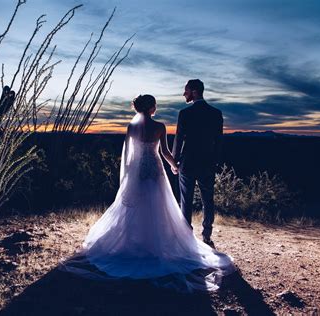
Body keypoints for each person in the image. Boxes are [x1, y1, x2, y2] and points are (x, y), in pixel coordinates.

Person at [60, 94, 235, 292]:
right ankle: (157, 244)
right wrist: (174, 165)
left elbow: (127, 155)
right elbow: (165, 152)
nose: (156, 107)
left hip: (136, 171)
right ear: (151, 107)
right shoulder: (160, 127)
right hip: (154, 170)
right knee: (158, 205)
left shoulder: (132, 127)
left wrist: (128, 176)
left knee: (136, 207)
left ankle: (136, 242)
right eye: (155, 105)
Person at [173, 79, 223, 246]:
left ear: (194, 91)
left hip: (188, 163)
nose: (184, 93)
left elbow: (178, 140)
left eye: (186, 90)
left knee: (185, 200)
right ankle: (207, 234)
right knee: (208, 199)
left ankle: (187, 236)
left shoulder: (185, 113)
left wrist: (174, 161)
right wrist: (214, 162)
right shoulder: (216, 113)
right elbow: (219, 142)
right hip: (208, 163)